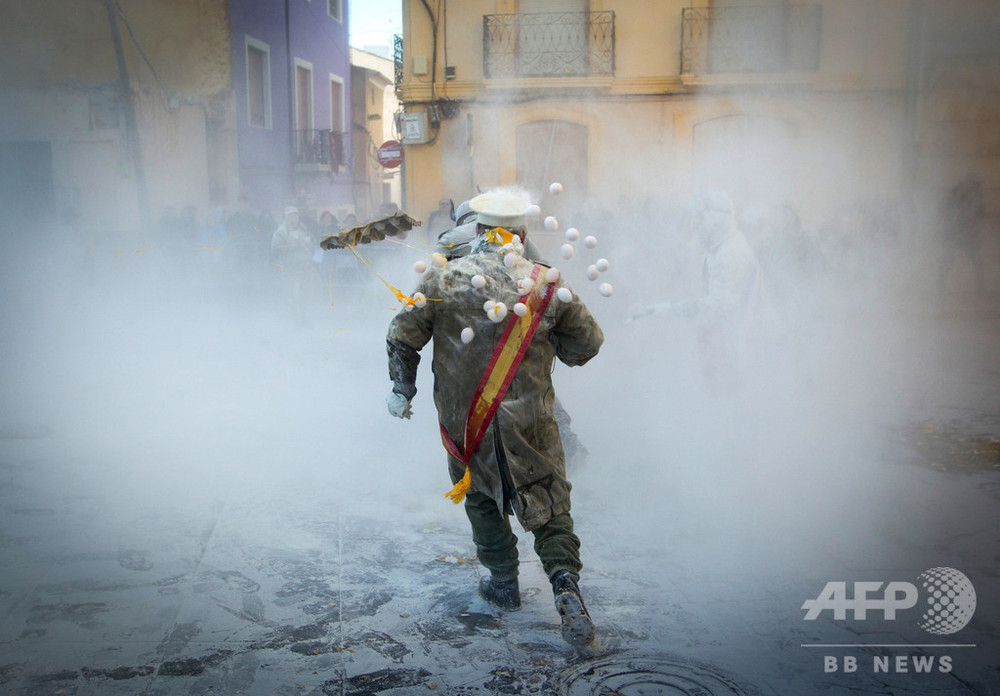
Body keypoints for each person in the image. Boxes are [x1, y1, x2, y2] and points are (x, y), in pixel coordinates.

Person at [385, 191, 604, 653]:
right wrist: (552, 345)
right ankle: (566, 587)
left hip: (467, 423)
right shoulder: (545, 283)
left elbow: (402, 335)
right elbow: (587, 345)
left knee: (480, 495)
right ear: (522, 235)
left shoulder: (443, 278)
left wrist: (402, 389)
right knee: (548, 501)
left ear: (480, 231)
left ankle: (503, 583)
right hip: (533, 421)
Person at [632, 189, 768, 392]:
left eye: (699, 219)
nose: (694, 226)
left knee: (731, 395)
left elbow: (719, 306)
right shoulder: (718, 246)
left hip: (741, 342)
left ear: (714, 221)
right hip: (726, 338)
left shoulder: (730, 254)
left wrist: (663, 310)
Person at [939, 173, 987, 298]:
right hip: (955, 233)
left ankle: (980, 290)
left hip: (967, 234)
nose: (976, 187)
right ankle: (939, 288)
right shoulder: (955, 193)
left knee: (976, 262)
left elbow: (982, 213)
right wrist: (958, 215)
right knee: (947, 261)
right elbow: (943, 210)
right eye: (975, 184)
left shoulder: (975, 195)